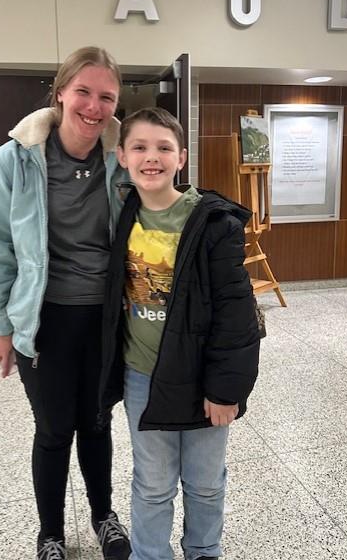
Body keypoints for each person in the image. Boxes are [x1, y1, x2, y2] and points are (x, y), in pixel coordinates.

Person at [0, 47, 131, 560]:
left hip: (107, 319)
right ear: (60, 92)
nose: (94, 106)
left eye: (106, 96)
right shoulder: (15, 159)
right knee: (55, 427)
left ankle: (103, 514)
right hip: (44, 319)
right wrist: (0, 327)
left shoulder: (122, 156)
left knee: (98, 422)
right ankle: (51, 534)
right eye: (83, 91)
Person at [99, 107, 261, 560]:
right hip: (142, 376)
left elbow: (236, 314)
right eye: (140, 147)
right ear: (123, 157)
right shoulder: (118, 217)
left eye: (164, 148)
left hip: (202, 379)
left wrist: (226, 390)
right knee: (152, 483)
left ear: (182, 158)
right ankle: (150, 554)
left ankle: (204, 550)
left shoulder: (214, 224)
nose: (152, 157)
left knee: (206, 482)